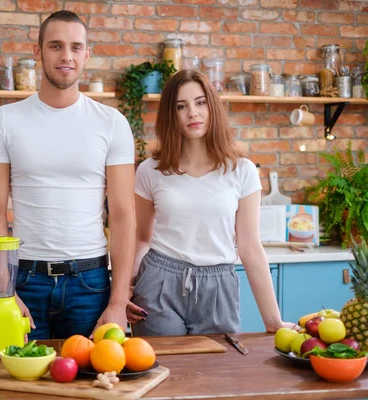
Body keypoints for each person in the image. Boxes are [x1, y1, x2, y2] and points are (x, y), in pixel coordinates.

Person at [0, 10, 135, 340]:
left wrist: (119, 302)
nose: (66, 56)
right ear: (37, 52)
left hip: (90, 285)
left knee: (90, 386)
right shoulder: (5, 120)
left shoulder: (111, 123)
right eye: (55, 46)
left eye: (76, 47)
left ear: (87, 54)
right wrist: (4, 289)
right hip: (24, 279)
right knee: (20, 385)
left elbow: (122, 215)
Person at [126, 70, 296, 335]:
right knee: (164, 372)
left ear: (212, 106)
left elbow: (250, 247)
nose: (192, 113)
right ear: (171, 115)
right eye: (181, 106)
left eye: (200, 102)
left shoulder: (242, 170)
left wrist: (273, 320)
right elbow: (141, 239)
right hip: (158, 283)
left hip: (218, 287)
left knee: (217, 374)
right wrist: (124, 289)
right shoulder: (150, 170)